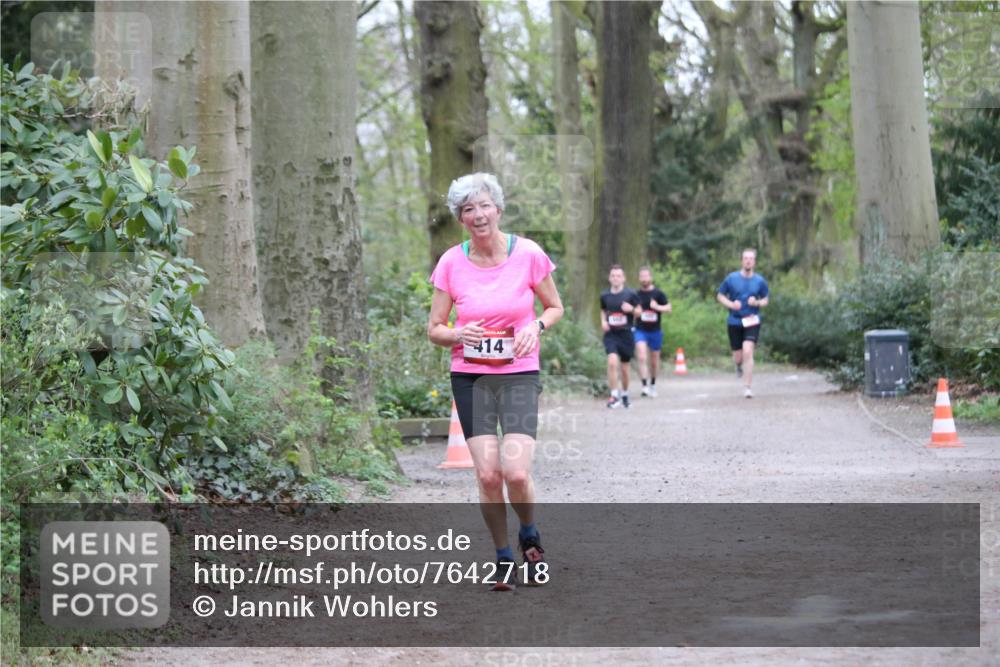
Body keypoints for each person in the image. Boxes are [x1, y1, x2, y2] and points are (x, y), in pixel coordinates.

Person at [427, 173, 564, 591]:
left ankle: (530, 534)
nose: (478, 214)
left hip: (519, 373)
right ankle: (503, 555)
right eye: (468, 209)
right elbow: (434, 327)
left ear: (498, 209)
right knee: (488, 476)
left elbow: (555, 306)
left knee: (517, 474)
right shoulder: (451, 262)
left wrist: (536, 326)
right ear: (461, 219)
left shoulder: (529, 254)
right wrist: (456, 334)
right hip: (471, 377)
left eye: (484, 205)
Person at [716, 248, 769, 398]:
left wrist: (757, 302)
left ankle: (747, 387)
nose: (748, 261)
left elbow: (766, 300)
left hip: (752, 320)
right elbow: (720, 295)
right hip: (734, 321)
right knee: (738, 356)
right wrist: (731, 305)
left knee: (748, 351)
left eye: (751, 258)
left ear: (754, 262)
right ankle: (738, 365)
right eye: (746, 258)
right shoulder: (731, 278)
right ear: (741, 260)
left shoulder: (759, 280)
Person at [600, 265, 641, 409]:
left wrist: (632, 309)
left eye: (618, 276)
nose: (615, 278)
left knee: (624, 368)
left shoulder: (631, 294)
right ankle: (614, 395)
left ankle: (624, 394)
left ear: (623, 278)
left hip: (626, 334)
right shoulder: (604, 296)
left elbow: (639, 312)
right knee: (611, 362)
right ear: (609, 278)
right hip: (611, 334)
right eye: (613, 276)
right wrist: (603, 321)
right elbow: (603, 310)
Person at [634, 266, 671, 397]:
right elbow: (631, 311)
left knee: (654, 361)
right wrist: (635, 313)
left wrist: (657, 307)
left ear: (651, 277)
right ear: (639, 278)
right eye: (642, 276)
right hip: (640, 330)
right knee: (642, 356)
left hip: (655, 331)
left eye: (646, 276)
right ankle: (644, 386)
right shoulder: (636, 295)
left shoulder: (658, 293)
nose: (644, 279)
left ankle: (653, 384)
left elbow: (669, 308)